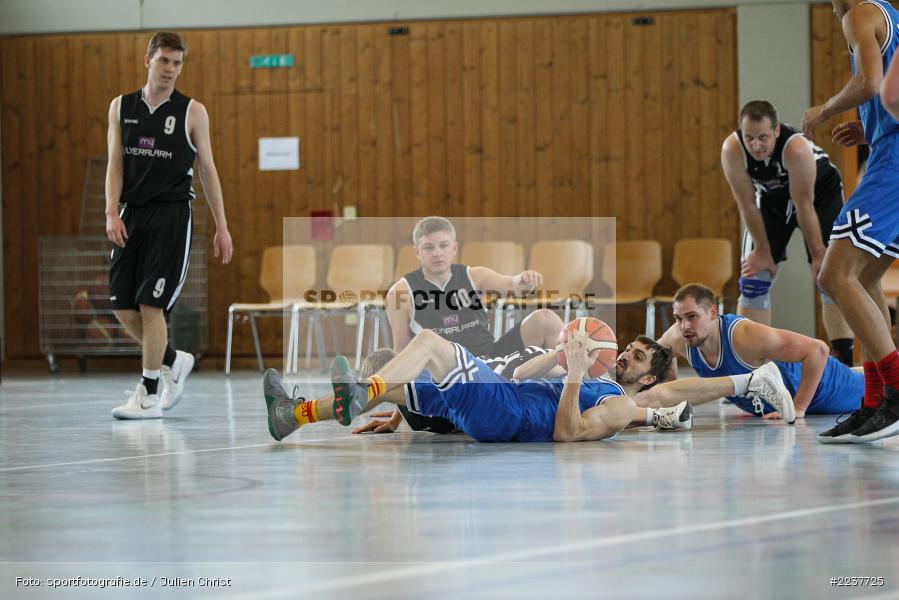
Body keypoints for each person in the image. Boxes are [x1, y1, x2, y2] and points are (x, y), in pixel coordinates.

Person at [262, 327, 792, 442]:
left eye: (633, 357)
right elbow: (518, 373)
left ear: (645, 379)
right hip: (497, 398)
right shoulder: (587, 381)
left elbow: (566, 435)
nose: (624, 356)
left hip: (501, 412)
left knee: (426, 341)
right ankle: (295, 416)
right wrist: (563, 360)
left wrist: (579, 374)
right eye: (625, 349)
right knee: (395, 387)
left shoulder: (616, 404)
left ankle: (358, 392)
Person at [105, 32, 233, 419]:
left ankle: (147, 393)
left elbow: (207, 170)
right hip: (132, 214)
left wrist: (222, 227)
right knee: (122, 306)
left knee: (151, 303)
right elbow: (115, 163)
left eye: (177, 63)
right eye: (164, 61)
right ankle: (174, 360)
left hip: (172, 216)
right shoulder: (120, 107)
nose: (171, 70)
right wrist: (111, 210)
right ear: (148, 60)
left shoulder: (192, 111)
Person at [801, 0, 899, 442]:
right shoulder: (888, 15)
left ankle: (894, 390)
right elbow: (888, 91)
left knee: (834, 275)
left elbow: (870, 81)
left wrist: (823, 110)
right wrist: (872, 126)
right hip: (888, 147)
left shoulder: (857, 13)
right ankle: (876, 397)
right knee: (864, 276)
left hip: (893, 161)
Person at [377, 216, 566, 432]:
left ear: (454, 248)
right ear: (417, 252)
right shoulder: (400, 292)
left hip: (491, 360)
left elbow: (512, 285)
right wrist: (397, 414)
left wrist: (524, 281)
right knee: (383, 359)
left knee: (545, 318)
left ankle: (590, 389)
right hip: (450, 371)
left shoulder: (474, 275)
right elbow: (402, 354)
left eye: (444, 245)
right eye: (429, 247)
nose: (437, 252)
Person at [722, 100, 854, 365]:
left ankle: (844, 363)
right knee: (753, 279)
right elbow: (745, 203)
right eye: (749, 138)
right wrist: (761, 249)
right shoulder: (732, 149)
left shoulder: (796, 148)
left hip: (819, 195)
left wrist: (819, 255)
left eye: (763, 138)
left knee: (829, 277)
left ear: (776, 132)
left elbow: (803, 205)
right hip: (772, 200)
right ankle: (749, 369)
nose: (756, 145)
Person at [656, 284, 863, 437]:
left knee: (879, 388)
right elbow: (656, 358)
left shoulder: (743, 335)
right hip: (789, 401)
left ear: (712, 312)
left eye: (692, 317)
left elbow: (818, 350)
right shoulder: (678, 337)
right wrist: (672, 400)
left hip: (826, 387)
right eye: (678, 318)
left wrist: (798, 408)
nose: (684, 326)